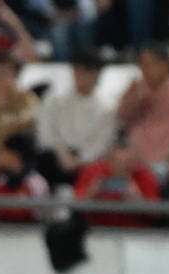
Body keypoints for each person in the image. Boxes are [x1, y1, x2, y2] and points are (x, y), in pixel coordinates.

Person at [34, 49, 115, 187]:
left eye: (87, 72)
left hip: (88, 161)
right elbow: (46, 131)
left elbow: (102, 143)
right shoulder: (55, 99)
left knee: (98, 171)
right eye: (77, 71)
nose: (81, 76)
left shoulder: (107, 107)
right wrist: (61, 153)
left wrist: (80, 161)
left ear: (97, 74)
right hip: (57, 156)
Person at [116, 42, 169, 173]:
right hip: (130, 162)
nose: (144, 70)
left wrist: (147, 163)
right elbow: (121, 118)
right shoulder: (137, 89)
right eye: (141, 64)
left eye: (149, 65)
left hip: (162, 165)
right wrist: (132, 98)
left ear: (167, 66)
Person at [74, 131, 161, 227]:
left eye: (127, 162)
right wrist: (91, 194)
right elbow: (74, 206)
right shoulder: (93, 172)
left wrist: (138, 201)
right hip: (96, 230)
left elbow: (156, 214)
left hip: (134, 233)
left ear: (136, 161)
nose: (122, 167)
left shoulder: (145, 176)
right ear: (109, 159)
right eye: (117, 161)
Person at [0, 52, 37, 169]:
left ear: (16, 76)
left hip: (17, 156)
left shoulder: (27, 99)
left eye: (6, 73)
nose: (1, 78)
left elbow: (27, 123)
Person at [0, 130, 47, 222]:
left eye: (3, 152)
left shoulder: (35, 181)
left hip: (27, 231)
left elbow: (23, 213)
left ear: (14, 155)